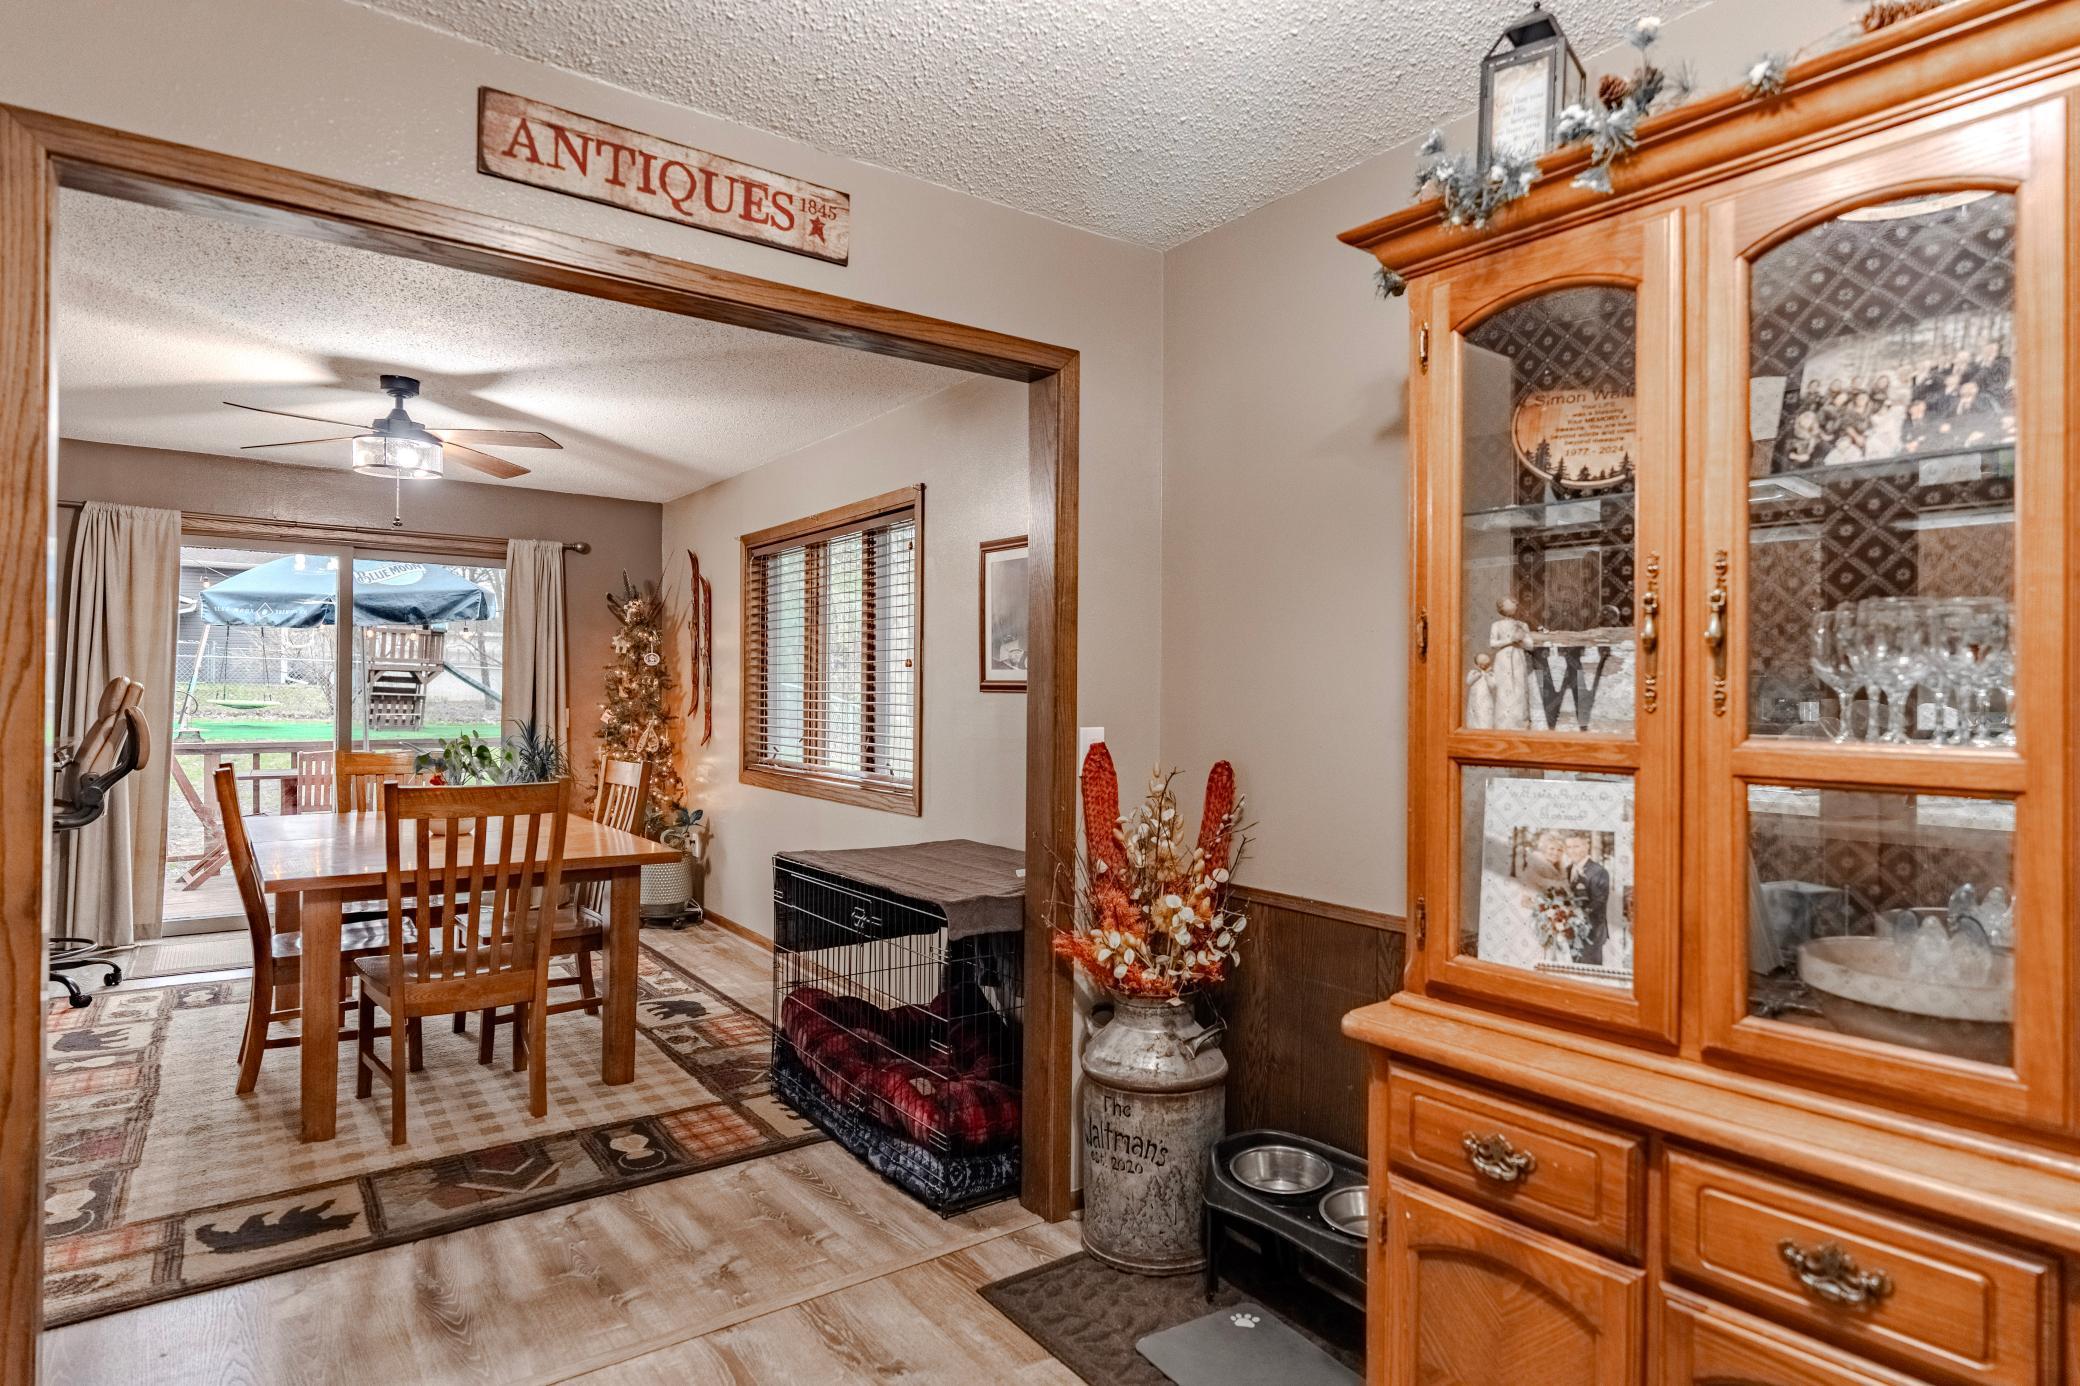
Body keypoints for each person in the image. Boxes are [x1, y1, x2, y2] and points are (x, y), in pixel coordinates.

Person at [1564, 831, 1612, 966]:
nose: (1572, 851)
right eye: (1569, 847)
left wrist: (1575, 915)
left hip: (1591, 933)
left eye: (1577, 846)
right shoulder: (1566, 870)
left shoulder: (1599, 871)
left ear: (1586, 846)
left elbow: (1599, 902)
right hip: (1569, 931)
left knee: (1588, 973)